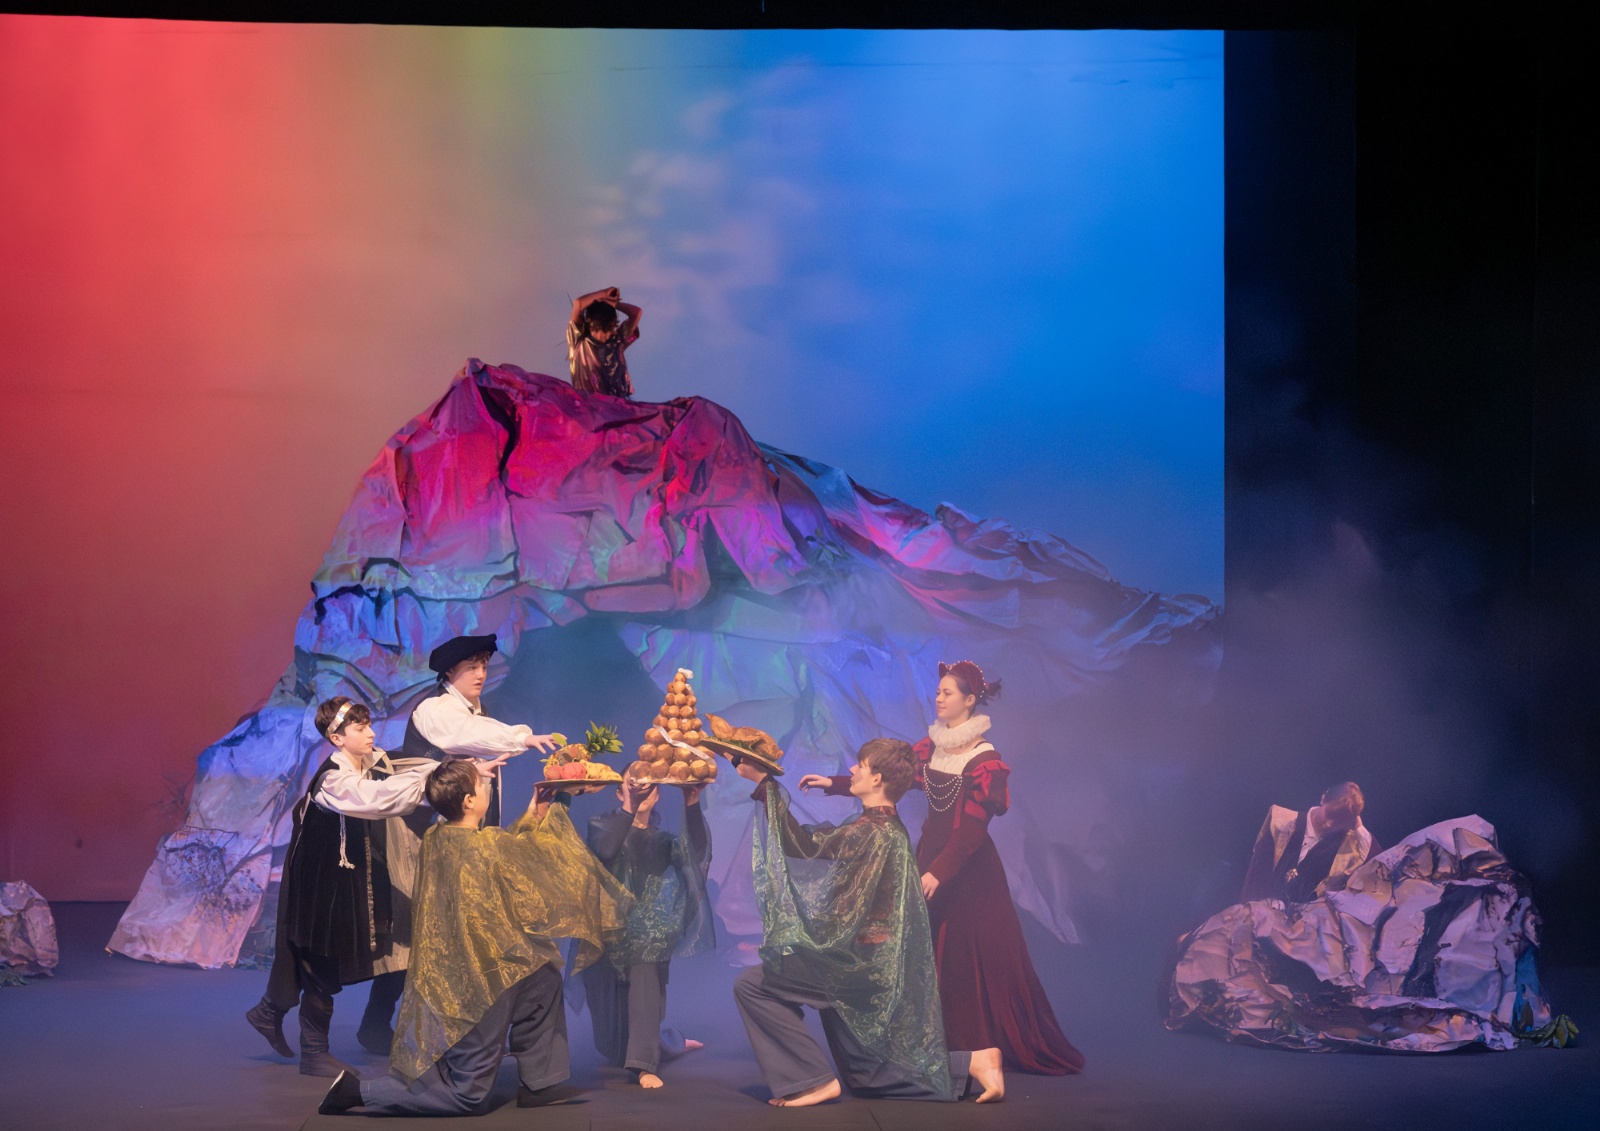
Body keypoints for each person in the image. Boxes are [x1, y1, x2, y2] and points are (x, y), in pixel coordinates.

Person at [799, 661, 1084, 1076]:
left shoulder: (985, 761)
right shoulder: (931, 748)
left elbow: (971, 832)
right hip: (930, 858)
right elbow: (889, 779)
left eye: (947, 692)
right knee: (927, 950)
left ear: (969, 700)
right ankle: (935, 1043)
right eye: (937, 691)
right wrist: (835, 783)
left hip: (968, 871)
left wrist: (938, 871)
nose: (938, 698)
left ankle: (975, 1047)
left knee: (966, 955)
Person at [320, 757, 632, 1115]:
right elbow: (536, 856)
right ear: (469, 801)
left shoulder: (438, 837)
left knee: (544, 980)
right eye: (481, 785)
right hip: (479, 980)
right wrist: (562, 800)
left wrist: (538, 811)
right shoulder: (484, 846)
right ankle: (358, 1092)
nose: (486, 789)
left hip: (497, 963)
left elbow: (509, 847)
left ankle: (540, 1082)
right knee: (467, 1095)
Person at [733, 738, 1005, 1107]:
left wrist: (764, 784)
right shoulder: (884, 828)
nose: (853, 770)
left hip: (854, 964)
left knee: (752, 985)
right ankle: (972, 1064)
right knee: (866, 1074)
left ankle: (809, 1081)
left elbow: (802, 846)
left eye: (859, 766)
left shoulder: (872, 832)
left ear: (876, 778)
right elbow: (815, 845)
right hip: (867, 961)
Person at [244, 697, 505, 1076]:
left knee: (367, 950)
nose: (370, 733)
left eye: (369, 725)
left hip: (346, 879)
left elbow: (411, 768)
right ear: (336, 738)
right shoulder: (334, 780)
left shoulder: (372, 761)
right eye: (360, 728)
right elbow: (379, 798)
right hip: (319, 882)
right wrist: (437, 784)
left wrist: (464, 771)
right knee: (318, 957)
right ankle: (313, 1051)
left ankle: (271, 1012)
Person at [354, 633, 560, 1053]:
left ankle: (462, 1032)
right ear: (450, 672)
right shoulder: (436, 710)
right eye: (471, 667)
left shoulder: (479, 715)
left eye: (484, 666)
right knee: (422, 933)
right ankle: (387, 1025)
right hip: (424, 837)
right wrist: (523, 738)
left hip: (463, 842)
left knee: (454, 934)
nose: (481, 674)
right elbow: (463, 736)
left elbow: (484, 748)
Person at [581, 772, 714, 1088]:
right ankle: (671, 1042)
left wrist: (692, 801)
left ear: (657, 794)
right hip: (606, 936)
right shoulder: (600, 826)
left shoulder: (662, 840)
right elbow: (606, 851)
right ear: (619, 792)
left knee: (646, 969)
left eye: (648, 784)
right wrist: (630, 805)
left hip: (649, 935)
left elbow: (696, 853)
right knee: (613, 1049)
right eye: (632, 782)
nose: (641, 787)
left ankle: (644, 1065)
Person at [1238, 781, 1379, 904]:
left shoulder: (1345, 846)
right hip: (1262, 909)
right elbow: (1257, 875)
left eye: (1338, 822)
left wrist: (1358, 825)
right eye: (1329, 815)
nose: (1330, 824)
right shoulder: (1282, 821)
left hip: (1302, 922)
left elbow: (1376, 860)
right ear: (1323, 798)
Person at [566, 285, 642, 397]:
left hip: (613, 405)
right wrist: (609, 300)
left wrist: (604, 296)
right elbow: (636, 313)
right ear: (613, 321)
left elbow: (636, 313)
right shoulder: (580, 340)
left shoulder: (617, 341)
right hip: (591, 404)